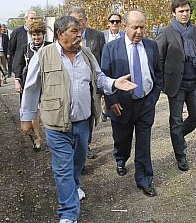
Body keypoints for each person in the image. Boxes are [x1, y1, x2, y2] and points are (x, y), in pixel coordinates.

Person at [20, 15, 136, 223]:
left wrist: (114, 83)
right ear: (60, 34)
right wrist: (27, 117)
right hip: (56, 123)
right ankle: (68, 213)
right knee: (62, 167)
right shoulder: (44, 55)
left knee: (78, 161)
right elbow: (31, 87)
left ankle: (74, 186)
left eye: (80, 31)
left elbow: (99, 78)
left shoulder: (87, 54)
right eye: (74, 31)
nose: (79, 35)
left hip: (83, 121)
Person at [101, 10, 163, 197]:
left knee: (144, 144)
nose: (139, 31)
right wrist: (111, 100)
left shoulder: (151, 46)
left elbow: (158, 74)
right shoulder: (111, 48)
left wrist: (153, 98)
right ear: (125, 27)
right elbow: (104, 76)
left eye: (142, 27)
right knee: (122, 138)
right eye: (135, 27)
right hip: (120, 104)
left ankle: (144, 179)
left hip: (145, 103)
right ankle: (121, 158)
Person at [155, 0, 196, 172]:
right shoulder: (166, 32)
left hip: (194, 83)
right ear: (174, 13)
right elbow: (158, 59)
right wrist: (161, 82)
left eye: (187, 11)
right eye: (181, 11)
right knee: (175, 120)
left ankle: (178, 136)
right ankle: (180, 156)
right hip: (176, 84)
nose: (185, 14)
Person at [67, 7, 105, 160]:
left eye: (80, 20)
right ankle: (72, 146)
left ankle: (85, 144)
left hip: (92, 86)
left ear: (85, 20)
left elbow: (103, 59)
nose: (77, 24)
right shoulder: (65, 38)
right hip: (72, 86)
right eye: (74, 21)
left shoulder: (97, 35)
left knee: (90, 116)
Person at [14, 20, 51, 151]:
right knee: (33, 111)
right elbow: (18, 65)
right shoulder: (25, 48)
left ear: (43, 35)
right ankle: (37, 137)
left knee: (48, 110)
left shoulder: (50, 47)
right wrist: (17, 80)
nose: (36, 38)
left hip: (47, 85)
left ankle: (52, 137)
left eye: (38, 35)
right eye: (34, 35)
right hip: (29, 85)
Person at [9, 11, 38, 79]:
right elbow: (11, 48)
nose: (34, 21)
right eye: (31, 18)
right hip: (22, 66)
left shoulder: (38, 32)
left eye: (35, 19)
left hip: (35, 64)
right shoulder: (17, 32)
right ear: (26, 19)